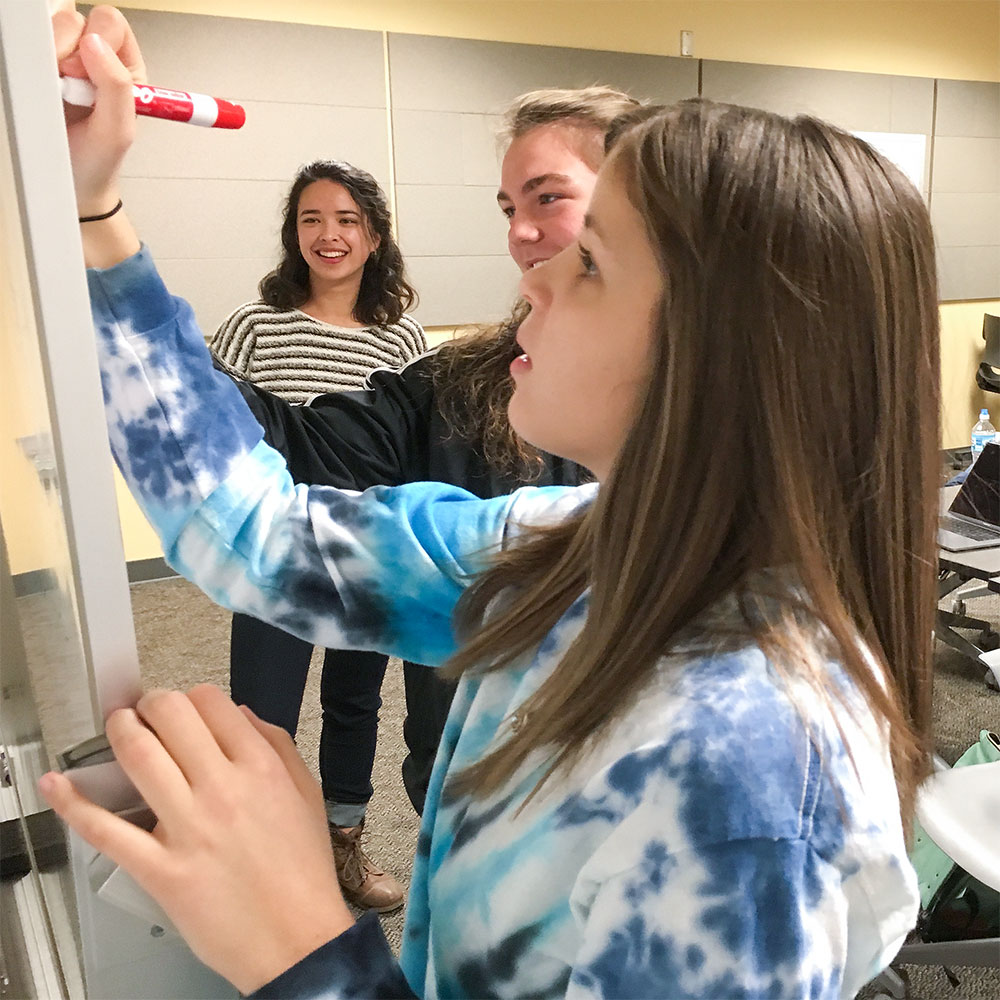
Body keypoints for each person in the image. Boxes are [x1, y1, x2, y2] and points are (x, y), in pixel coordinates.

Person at [46, 8, 939, 999]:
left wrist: (300, 944)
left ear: (717, 357)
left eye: (587, 257)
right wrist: (95, 205)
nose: (534, 273)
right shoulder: (558, 549)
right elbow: (254, 532)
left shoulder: (750, 775)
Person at [223, 85, 637, 817]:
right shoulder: (464, 386)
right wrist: (111, 277)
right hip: (462, 783)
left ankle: (343, 831)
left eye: (547, 198)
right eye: (510, 208)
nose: (521, 233)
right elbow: (300, 443)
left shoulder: (727, 414)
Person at [213, 158, 427, 913]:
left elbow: (412, 449)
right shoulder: (252, 326)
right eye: (312, 219)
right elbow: (215, 434)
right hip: (270, 552)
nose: (328, 235)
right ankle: (271, 864)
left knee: (354, 701)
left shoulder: (401, 340)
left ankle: (343, 845)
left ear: (373, 237)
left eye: (346, 221)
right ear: (292, 233)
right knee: (261, 711)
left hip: (362, 551)